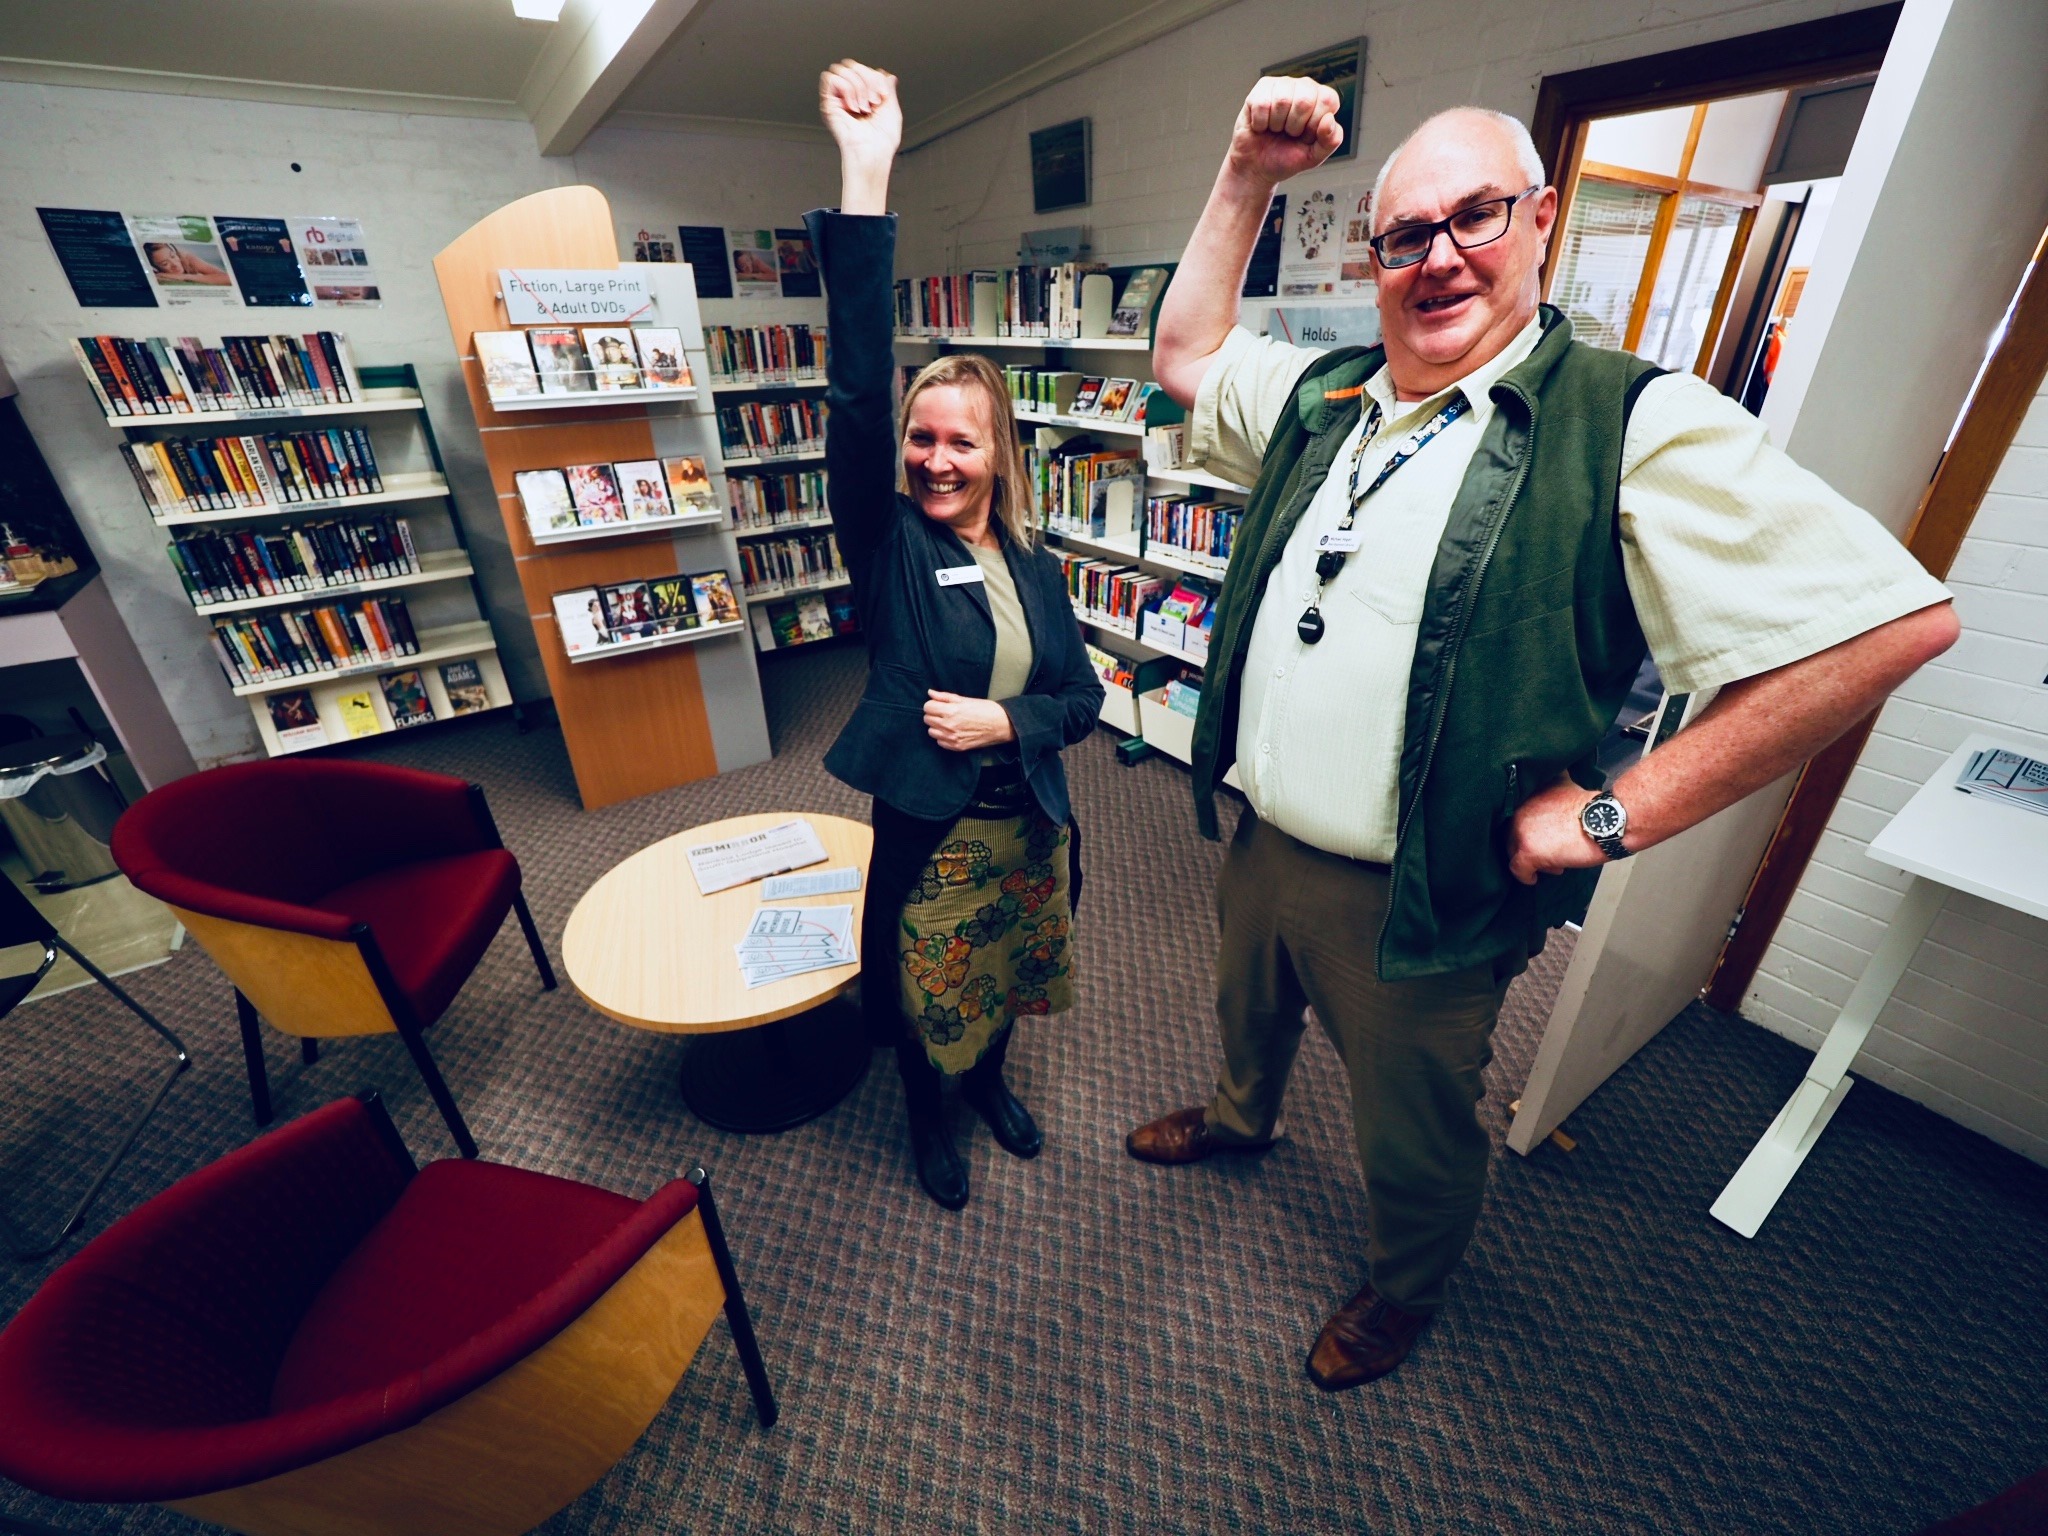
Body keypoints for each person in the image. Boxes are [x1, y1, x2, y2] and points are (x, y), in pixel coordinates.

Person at [1127, 78, 1959, 1389]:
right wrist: (1242, 172)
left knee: (1411, 1127)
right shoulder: (1333, 392)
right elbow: (1184, 358)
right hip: (1261, 831)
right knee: (1246, 1015)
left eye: (1477, 217)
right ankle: (1242, 1120)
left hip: (1424, 895)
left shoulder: (1628, 421)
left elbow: (1885, 629)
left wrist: (1613, 814)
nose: (1440, 255)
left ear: (1543, 219)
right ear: (1376, 260)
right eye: (1407, 234)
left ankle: (1405, 1289)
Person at [808, 61, 1104, 1210]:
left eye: (959, 443)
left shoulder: (1033, 564)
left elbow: (1079, 701)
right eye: (921, 437)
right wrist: (867, 174)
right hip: (929, 830)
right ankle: (929, 1113)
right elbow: (851, 395)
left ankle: (985, 1084)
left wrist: (1006, 718)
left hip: (1025, 823)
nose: (932, 457)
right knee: (928, 983)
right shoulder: (886, 548)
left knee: (1004, 976)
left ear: (998, 459)